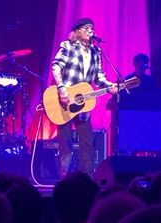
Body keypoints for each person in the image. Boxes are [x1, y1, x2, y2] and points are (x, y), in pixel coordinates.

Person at [51, 18, 117, 178]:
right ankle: (64, 180)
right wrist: (61, 88)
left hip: (83, 104)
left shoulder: (96, 52)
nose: (90, 31)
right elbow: (56, 66)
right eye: (86, 28)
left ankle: (86, 179)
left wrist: (110, 86)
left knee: (87, 143)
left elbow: (99, 77)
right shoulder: (68, 46)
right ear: (77, 31)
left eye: (92, 28)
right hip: (65, 101)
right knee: (66, 145)